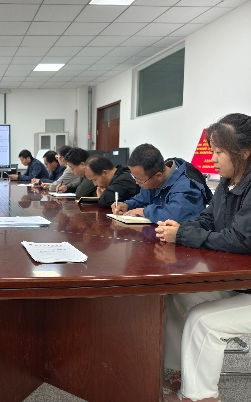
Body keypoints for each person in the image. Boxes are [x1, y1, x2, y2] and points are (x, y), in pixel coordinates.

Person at [155, 113, 251, 402]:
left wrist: (182, 235)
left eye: (219, 152)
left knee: (202, 321)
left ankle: (201, 396)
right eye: (213, 151)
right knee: (177, 295)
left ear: (244, 152)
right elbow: (209, 218)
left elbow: (240, 239)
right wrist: (181, 228)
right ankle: (179, 371)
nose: (213, 159)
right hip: (241, 282)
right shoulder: (227, 183)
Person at [111, 144, 213, 222]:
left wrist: (144, 211)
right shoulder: (153, 178)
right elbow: (142, 199)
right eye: (135, 178)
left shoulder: (186, 186)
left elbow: (174, 216)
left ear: (158, 176)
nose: (137, 183)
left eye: (140, 180)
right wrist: (127, 205)